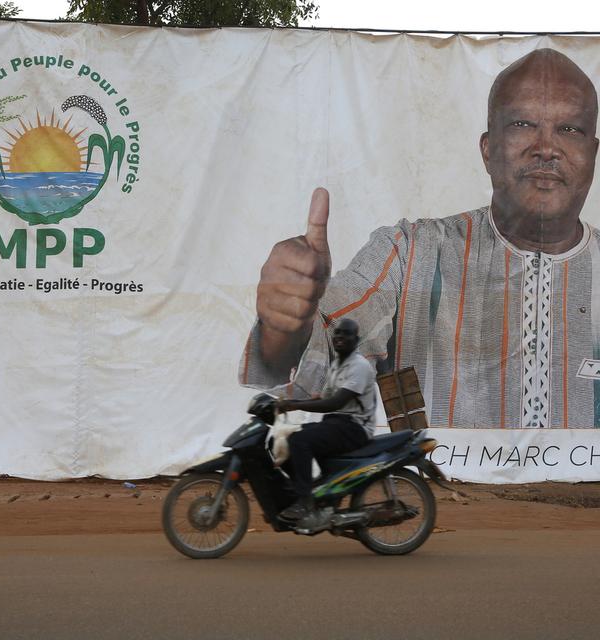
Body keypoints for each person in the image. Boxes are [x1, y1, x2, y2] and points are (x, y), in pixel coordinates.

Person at [240, 48, 600, 429]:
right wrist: (286, 328)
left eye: (570, 129)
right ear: (488, 150)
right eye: (522, 124)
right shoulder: (410, 253)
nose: (546, 148)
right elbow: (327, 344)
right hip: (434, 486)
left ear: (592, 155)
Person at [274, 318, 376, 520]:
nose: (340, 337)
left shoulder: (359, 366)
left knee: (299, 440)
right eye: (337, 333)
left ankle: (304, 502)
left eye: (346, 334)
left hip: (355, 427)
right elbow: (323, 398)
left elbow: (335, 403)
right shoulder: (337, 365)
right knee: (285, 440)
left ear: (356, 339)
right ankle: (304, 491)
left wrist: (294, 405)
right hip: (336, 423)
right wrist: (288, 401)